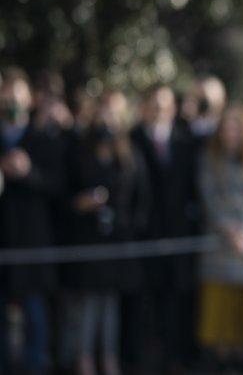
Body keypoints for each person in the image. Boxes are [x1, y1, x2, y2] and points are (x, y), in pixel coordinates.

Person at [62, 91, 150, 375]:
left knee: (111, 302)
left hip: (118, 239)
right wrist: (79, 203)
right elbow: (65, 192)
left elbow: (141, 196)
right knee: (88, 301)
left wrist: (130, 225)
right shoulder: (79, 150)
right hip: (88, 238)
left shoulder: (130, 153)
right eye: (103, 112)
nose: (107, 119)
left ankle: (109, 357)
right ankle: (84, 358)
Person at [129, 85, 201, 372]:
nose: (159, 109)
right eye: (153, 104)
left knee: (176, 300)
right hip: (145, 235)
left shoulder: (186, 141)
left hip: (179, 236)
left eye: (164, 104)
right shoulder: (132, 140)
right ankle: (144, 359)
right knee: (144, 302)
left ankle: (175, 357)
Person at [196, 104, 243, 370]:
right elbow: (210, 198)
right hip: (220, 243)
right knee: (220, 309)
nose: (230, 133)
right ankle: (221, 358)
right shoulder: (210, 159)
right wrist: (228, 229)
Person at [0, 68, 65, 374]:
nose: (12, 102)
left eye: (17, 96)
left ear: (29, 100)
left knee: (34, 312)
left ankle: (35, 366)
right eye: (6, 96)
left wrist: (29, 173)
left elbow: (59, 187)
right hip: (3, 238)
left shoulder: (43, 139)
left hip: (32, 239)